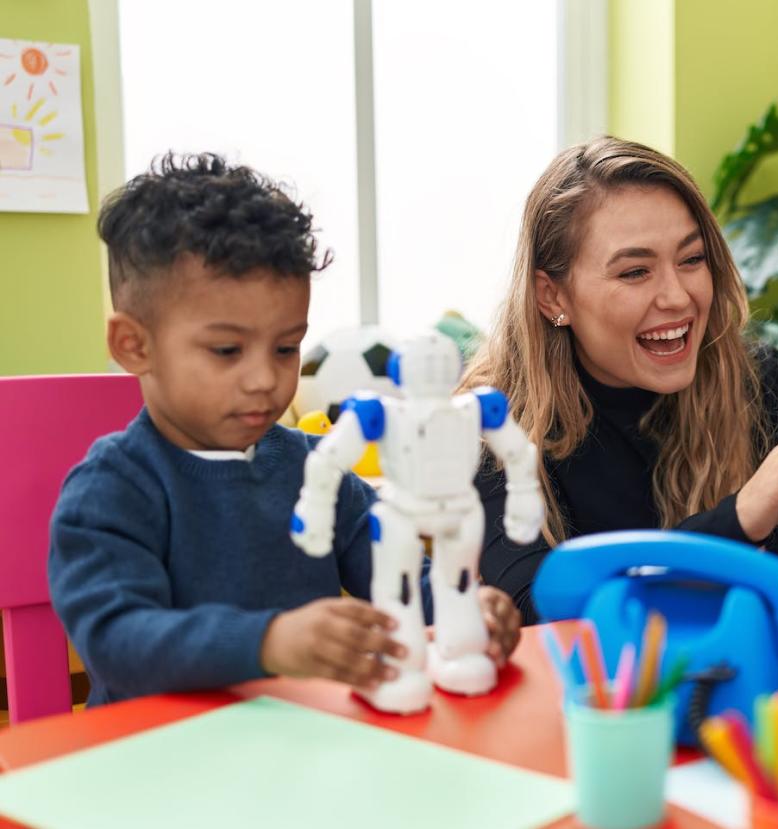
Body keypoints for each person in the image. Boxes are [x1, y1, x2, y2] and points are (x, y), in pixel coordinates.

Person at [48, 153, 521, 707]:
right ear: (135, 345)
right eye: (227, 350)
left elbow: (403, 579)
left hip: (309, 747)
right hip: (160, 760)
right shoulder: (111, 488)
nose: (264, 379)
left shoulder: (320, 471)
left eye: (285, 347)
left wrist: (466, 607)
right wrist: (270, 642)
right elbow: (117, 641)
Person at [461, 136, 778, 624]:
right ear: (552, 297)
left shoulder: (761, 383)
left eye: (691, 259)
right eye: (636, 271)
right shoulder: (492, 419)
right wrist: (740, 520)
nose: (678, 296)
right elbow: (539, 612)